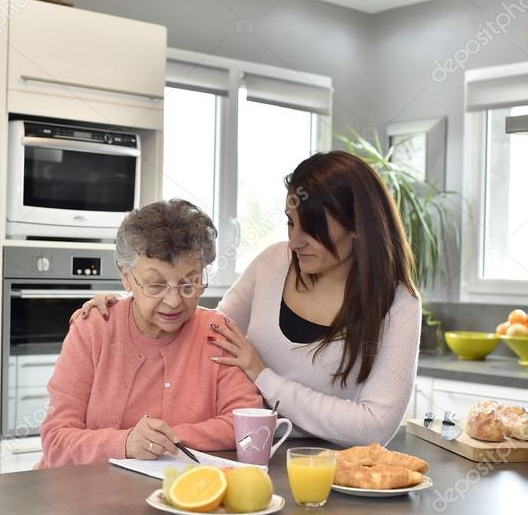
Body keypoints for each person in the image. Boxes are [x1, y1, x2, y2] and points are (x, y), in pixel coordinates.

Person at [0, 199, 262, 515]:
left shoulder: (216, 332)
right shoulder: (94, 327)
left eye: (189, 283)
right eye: (155, 284)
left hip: (170, 514)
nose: (173, 300)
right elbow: (58, 439)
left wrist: (168, 437)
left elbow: (245, 423)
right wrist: (125, 443)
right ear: (126, 278)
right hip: (69, 505)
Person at [74, 150, 422, 448]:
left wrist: (263, 376)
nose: (296, 240)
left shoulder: (398, 305)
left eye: (312, 228)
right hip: (243, 454)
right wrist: (127, 303)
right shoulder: (274, 262)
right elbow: (204, 333)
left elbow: (375, 426)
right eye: (290, 223)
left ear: (357, 226)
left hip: (332, 473)